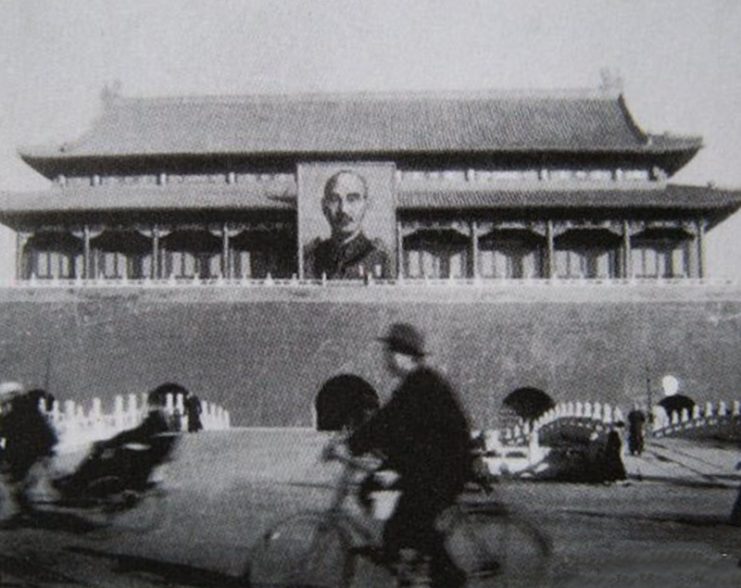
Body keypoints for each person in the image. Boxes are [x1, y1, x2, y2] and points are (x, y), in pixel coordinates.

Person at [340, 323, 472, 588]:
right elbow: (397, 428)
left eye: (389, 352)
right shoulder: (417, 382)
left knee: (409, 517)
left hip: (445, 469)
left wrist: (350, 446)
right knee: (373, 490)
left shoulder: (421, 385)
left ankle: (446, 575)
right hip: (428, 463)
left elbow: (386, 422)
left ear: (402, 355)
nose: (386, 358)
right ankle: (402, 558)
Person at [55, 384, 176, 497]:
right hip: (142, 459)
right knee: (105, 456)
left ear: (151, 403)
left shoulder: (155, 419)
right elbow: (136, 435)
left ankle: (74, 484)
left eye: (148, 402)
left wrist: (109, 443)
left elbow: (134, 435)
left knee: (98, 459)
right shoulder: (163, 421)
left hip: (135, 461)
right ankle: (76, 481)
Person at [304, 170, 390, 279]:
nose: (343, 209)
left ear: (366, 205)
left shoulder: (380, 257)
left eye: (352, 199)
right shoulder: (310, 258)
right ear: (324, 206)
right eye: (335, 199)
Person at [0, 386, 58, 520]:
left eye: (4, 403)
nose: (3, 406)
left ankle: (24, 509)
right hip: (35, 452)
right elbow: (42, 394)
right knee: (18, 484)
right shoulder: (25, 408)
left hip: (33, 454)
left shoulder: (19, 412)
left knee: (18, 484)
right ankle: (24, 509)